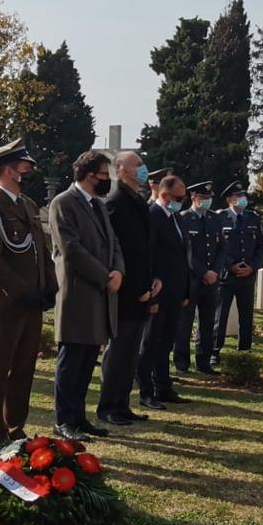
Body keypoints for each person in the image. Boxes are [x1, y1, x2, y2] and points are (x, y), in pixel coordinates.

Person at [0, 138, 57, 451]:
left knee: (23, 368)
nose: (27, 172)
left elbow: (40, 251)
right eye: (23, 167)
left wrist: (50, 287)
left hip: (32, 302)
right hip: (7, 303)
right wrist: (22, 291)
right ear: (8, 170)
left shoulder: (28, 205)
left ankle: (15, 427)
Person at [49, 152, 124, 442]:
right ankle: (63, 420)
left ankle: (79, 417)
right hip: (78, 292)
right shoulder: (63, 203)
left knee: (87, 358)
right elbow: (71, 249)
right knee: (72, 359)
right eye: (104, 175)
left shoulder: (98, 205)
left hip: (101, 292)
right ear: (89, 175)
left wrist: (118, 271)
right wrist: (105, 276)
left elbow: (113, 243)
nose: (107, 181)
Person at [99, 151, 159, 427]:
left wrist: (153, 279)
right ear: (122, 170)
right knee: (119, 351)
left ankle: (122, 404)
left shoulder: (137, 200)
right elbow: (118, 252)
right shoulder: (115, 201)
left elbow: (145, 248)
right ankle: (108, 405)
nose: (144, 169)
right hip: (125, 292)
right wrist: (137, 287)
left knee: (131, 352)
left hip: (142, 290)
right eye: (138, 165)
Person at [139, 175, 191, 409]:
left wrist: (185, 292)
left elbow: (182, 257)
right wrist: (153, 295)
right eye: (179, 197)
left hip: (175, 292)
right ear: (164, 195)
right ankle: (146, 390)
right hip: (159, 292)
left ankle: (163, 386)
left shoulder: (176, 218)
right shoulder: (153, 216)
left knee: (166, 342)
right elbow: (149, 257)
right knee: (150, 344)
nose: (183, 201)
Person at [176, 181, 223, 374]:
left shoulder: (214, 219)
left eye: (209, 198)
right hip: (191, 279)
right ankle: (182, 362)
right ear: (194, 197)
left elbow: (221, 248)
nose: (207, 202)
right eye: (203, 198)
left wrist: (215, 272)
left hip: (211, 281)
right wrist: (203, 272)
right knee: (184, 323)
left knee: (207, 322)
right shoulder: (183, 218)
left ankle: (203, 362)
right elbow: (186, 251)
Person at [214, 182, 263, 351]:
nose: (242, 199)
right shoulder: (220, 218)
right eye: (238, 196)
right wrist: (231, 265)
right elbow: (216, 247)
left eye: (243, 196)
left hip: (247, 276)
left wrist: (252, 267)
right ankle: (215, 350)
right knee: (220, 315)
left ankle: (244, 349)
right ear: (229, 199)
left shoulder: (253, 218)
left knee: (246, 315)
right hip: (227, 276)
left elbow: (260, 247)